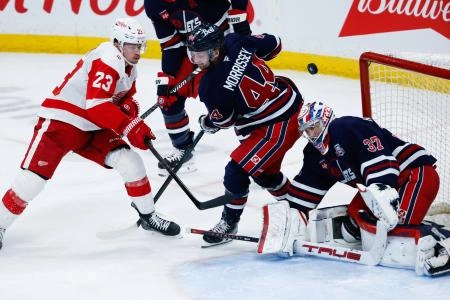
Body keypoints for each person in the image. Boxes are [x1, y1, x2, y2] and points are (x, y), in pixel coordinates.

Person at [0, 18, 181, 250]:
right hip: (62, 122)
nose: (138, 51)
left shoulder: (130, 68)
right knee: (32, 180)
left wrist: (128, 109)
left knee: (131, 162)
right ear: (118, 43)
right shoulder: (108, 58)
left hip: (93, 128)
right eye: (133, 46)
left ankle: (148, 216)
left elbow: (119, 101)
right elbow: (96, 105)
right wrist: (130, 126)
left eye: (140, 46)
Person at [258, 101, 450, 276]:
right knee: (355, 215)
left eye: (313, 127)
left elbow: (384, 168)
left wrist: (384, 205)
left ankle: (446, 245)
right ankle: (435, 220)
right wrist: (285, 218)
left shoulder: (347, 127)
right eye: (306, 131)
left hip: (414, 174)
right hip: (380, 187)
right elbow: (303, 196)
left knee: (398, 233)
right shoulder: (314, 155)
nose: (311, 134)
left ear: (325, 120)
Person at [185, 23, 303, 245]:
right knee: (264, 174)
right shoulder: (235, 41)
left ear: (216, 50)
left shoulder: (209, 86)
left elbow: (225, 121)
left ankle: (229, 222)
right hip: (289, 101)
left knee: (236, 172)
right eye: (192, 54)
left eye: (200, 55)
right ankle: (298, 207)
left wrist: (207, 122)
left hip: (276, 125)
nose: (196, 60)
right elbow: (274, 44)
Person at [144, 0, 251, 176]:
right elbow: (171, 45)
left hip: (222, 41)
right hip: (193, 49)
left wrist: (239, 16)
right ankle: (183, 150)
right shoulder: (153, 4)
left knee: (236, 95)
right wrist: (168, 77)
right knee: (170, 96)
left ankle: (255, 151)